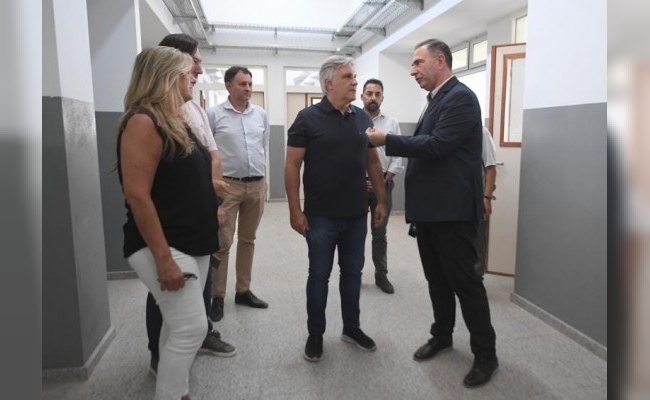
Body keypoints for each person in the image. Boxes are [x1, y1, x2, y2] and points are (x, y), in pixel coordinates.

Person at [366, 38, 498, 388]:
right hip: (432, 212)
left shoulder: (461, 98)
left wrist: (387, 140)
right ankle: (442, 335)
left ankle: (486, 354)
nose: (412, 70)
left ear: (440, 61)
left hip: (453, 212)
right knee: (437, 280)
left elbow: (438, 145)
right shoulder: (435, 99)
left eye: (417, 63)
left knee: (466, 284)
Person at [117, 46, 217, 400]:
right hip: (166, 245)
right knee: (191, 329)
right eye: (188, 72)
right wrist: (163, 260)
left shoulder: (174, 119)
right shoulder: (143, 121)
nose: (195, 77)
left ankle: (179, 392)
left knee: (176, 328)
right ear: (166, 77)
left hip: (192, 240)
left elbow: (176, 179)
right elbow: (137, 196)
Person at [144, 34, 236, 378]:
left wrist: (214, 200)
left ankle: (202, 334)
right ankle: (159, 354)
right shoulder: (151, 115)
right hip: (172, 222)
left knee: (202, 279)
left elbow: (212, 155)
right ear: (174, 62)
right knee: (166, 288)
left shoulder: (193, 108)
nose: (199, 69)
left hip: (200, 215)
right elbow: (141, 191)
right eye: (194, 61)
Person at [285, 55, 387, 362]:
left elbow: (372, 161)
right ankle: (315, 334)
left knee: (353, 273)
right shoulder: (307, 118)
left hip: (356, 214)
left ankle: (351, 327)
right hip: (321, 217)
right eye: (348, 77)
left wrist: (381, 199)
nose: (355, 82)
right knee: (319, 275)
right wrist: (294, 210)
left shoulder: (362, 118)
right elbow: (292, 166)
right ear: (329, 83)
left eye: (354, 76)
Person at [206, 66, 270, 322]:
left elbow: (262, 146)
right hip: (228, 187)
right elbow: (208, 154)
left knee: (248, 239)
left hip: (256, 185)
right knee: (223, 242)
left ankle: (243, 290)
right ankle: (217, 296)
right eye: (242, 84)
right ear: (228, 86)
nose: (248, 88)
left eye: (250, 84)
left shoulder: (260, 115)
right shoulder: (214, 115)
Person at [360, 78, 403, 294]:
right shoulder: (353, 120)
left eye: (377, 94)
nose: (373, 98)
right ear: (362, 96)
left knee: (380, 233)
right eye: (369, 93)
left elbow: (398, 156)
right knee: (356, 233)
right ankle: (354, 274)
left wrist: (382, 180)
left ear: (382, 98)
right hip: (357, 186)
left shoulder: (392, 124)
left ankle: (381, 274)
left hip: (384, 185)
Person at [474, 126, 497, 275]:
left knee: (477, 242)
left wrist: (486, 197)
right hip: (457, 198)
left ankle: (476, 278)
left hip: (477, 198)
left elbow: (491, 168)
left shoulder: (482, 133)